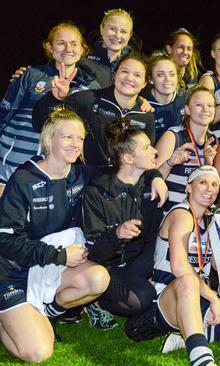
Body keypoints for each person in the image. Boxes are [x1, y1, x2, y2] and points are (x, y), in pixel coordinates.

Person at [0, 108, 109, 362]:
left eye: (80, 138)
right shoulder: (24, 178)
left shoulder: (81, 173)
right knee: (38, 352)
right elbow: (4, 240)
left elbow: (122, 170)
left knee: (98, 279)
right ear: (49, 140)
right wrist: (58, 255)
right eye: (67, 137)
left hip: (48, 268)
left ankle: (47, 311)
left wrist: (156, 174)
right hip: (13, 273)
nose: (75, 144)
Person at [125, 165, 220, 366]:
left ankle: (186, 334)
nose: (209, 188)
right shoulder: (181, 214)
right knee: (188, 281)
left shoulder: (210, 221)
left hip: (194, 297)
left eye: (214, 184)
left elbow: (218, 266)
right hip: (162, 300)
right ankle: (202, 359)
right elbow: (179, 267)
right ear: (189, 187)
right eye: (202, 182)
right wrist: (213, 298)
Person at [0, 22, 111, 194]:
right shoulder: (31, 75)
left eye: (74, 44)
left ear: (83, 49)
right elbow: (5, 112)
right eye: (61, 43)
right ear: (49, 47)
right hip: (13, 165)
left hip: (56, 174)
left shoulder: (92, 88)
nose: (68, 48)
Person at [82, 117, 165, 330]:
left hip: (134, 265)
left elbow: (151, 242)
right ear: (128, 158)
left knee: (152, 290)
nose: (155, 151)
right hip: (103, 268)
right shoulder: (97, 192)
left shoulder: (151, 190)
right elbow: (94, 254)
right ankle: (94, 300)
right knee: (143, 298)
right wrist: (117, 234)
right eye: (147, 148)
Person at [33, 54, 155, 172]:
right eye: (124, 71)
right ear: (115, 75)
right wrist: (55, 98)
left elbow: (148, 157)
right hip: (85, 182)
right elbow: (40, 124)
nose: (129, 78)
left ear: (145, 83)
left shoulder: (146, 116)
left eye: (137, 75)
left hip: (123, 187)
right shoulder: (88, 100)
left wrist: (156, 177)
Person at [156, 86, 218, 211]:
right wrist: (169, 163)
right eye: (199, 105)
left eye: (210, 105)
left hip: (197, 214)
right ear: (187, 110)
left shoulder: (213, 139)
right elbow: (151, 180)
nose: (205, 109)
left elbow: (210, 186)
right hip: (170, 212)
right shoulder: (173, 136)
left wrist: (207, 164)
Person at [143, 53, 187, 140]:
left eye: (172, 74)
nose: (167, 79)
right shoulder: (143, 106)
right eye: (160, 75)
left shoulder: (186, 101)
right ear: (151, 79)